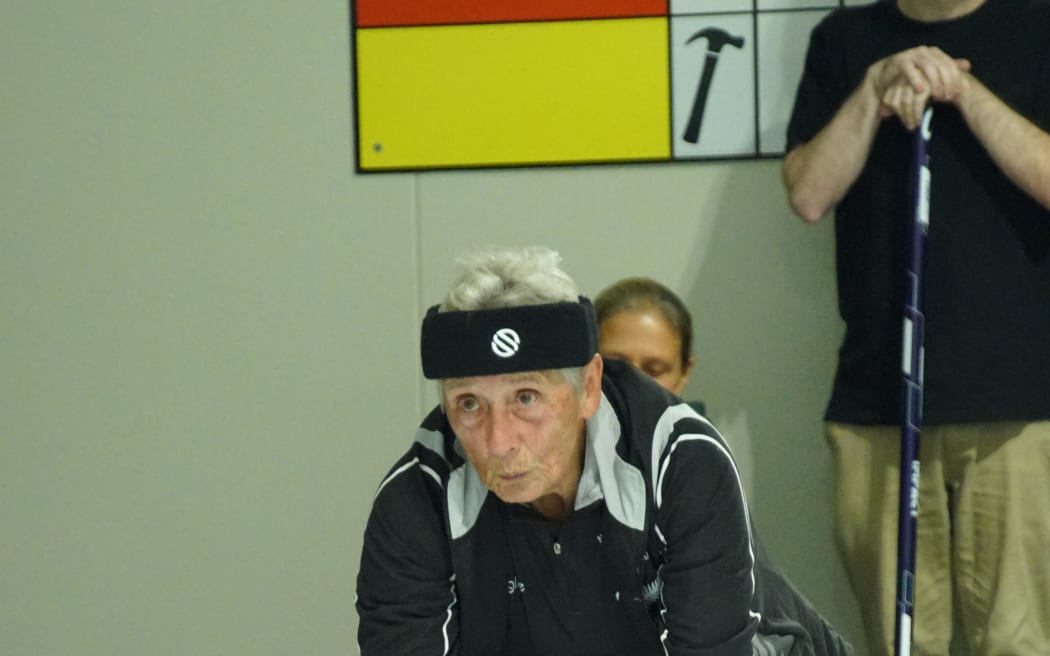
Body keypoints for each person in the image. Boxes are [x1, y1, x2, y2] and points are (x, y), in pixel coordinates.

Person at [357, 247, 794, 655]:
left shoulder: (681, 463)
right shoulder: (416, 499)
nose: (498, 442)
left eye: (526, 397)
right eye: (469, 404)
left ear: (588, 388)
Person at [782, 0, 1050, 654]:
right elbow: (809, 194)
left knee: (1020, 641)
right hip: (879, 403)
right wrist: (875, 88)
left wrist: (960, 90)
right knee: (899, 642)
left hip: (1018, 409)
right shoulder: (844, 39)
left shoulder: (1038, 26)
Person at [595, 276, 854, 656]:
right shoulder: (564, 466)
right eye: (617, 366)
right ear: (588, 370)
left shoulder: (697, 468)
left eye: (654, 368)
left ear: (685, 371)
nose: (634, 384)